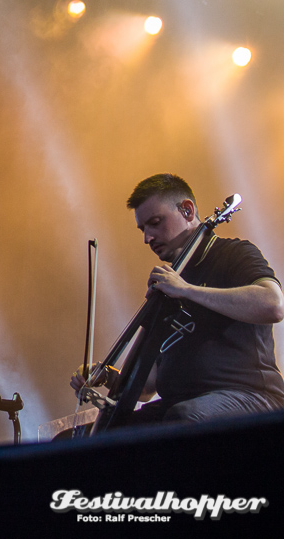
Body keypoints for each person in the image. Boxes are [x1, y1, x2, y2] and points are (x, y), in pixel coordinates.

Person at [71, 173, 284, 425]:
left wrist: (186, 290)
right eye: (143, 229)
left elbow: (273, 304)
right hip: (182, 403)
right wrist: (106, 376)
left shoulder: (232, 253)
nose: (147, 238)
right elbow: (146, 388)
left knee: (183, 418)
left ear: (187, 210)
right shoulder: (170, 283)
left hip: (252, 397)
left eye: (156, 222)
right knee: (116, 431)